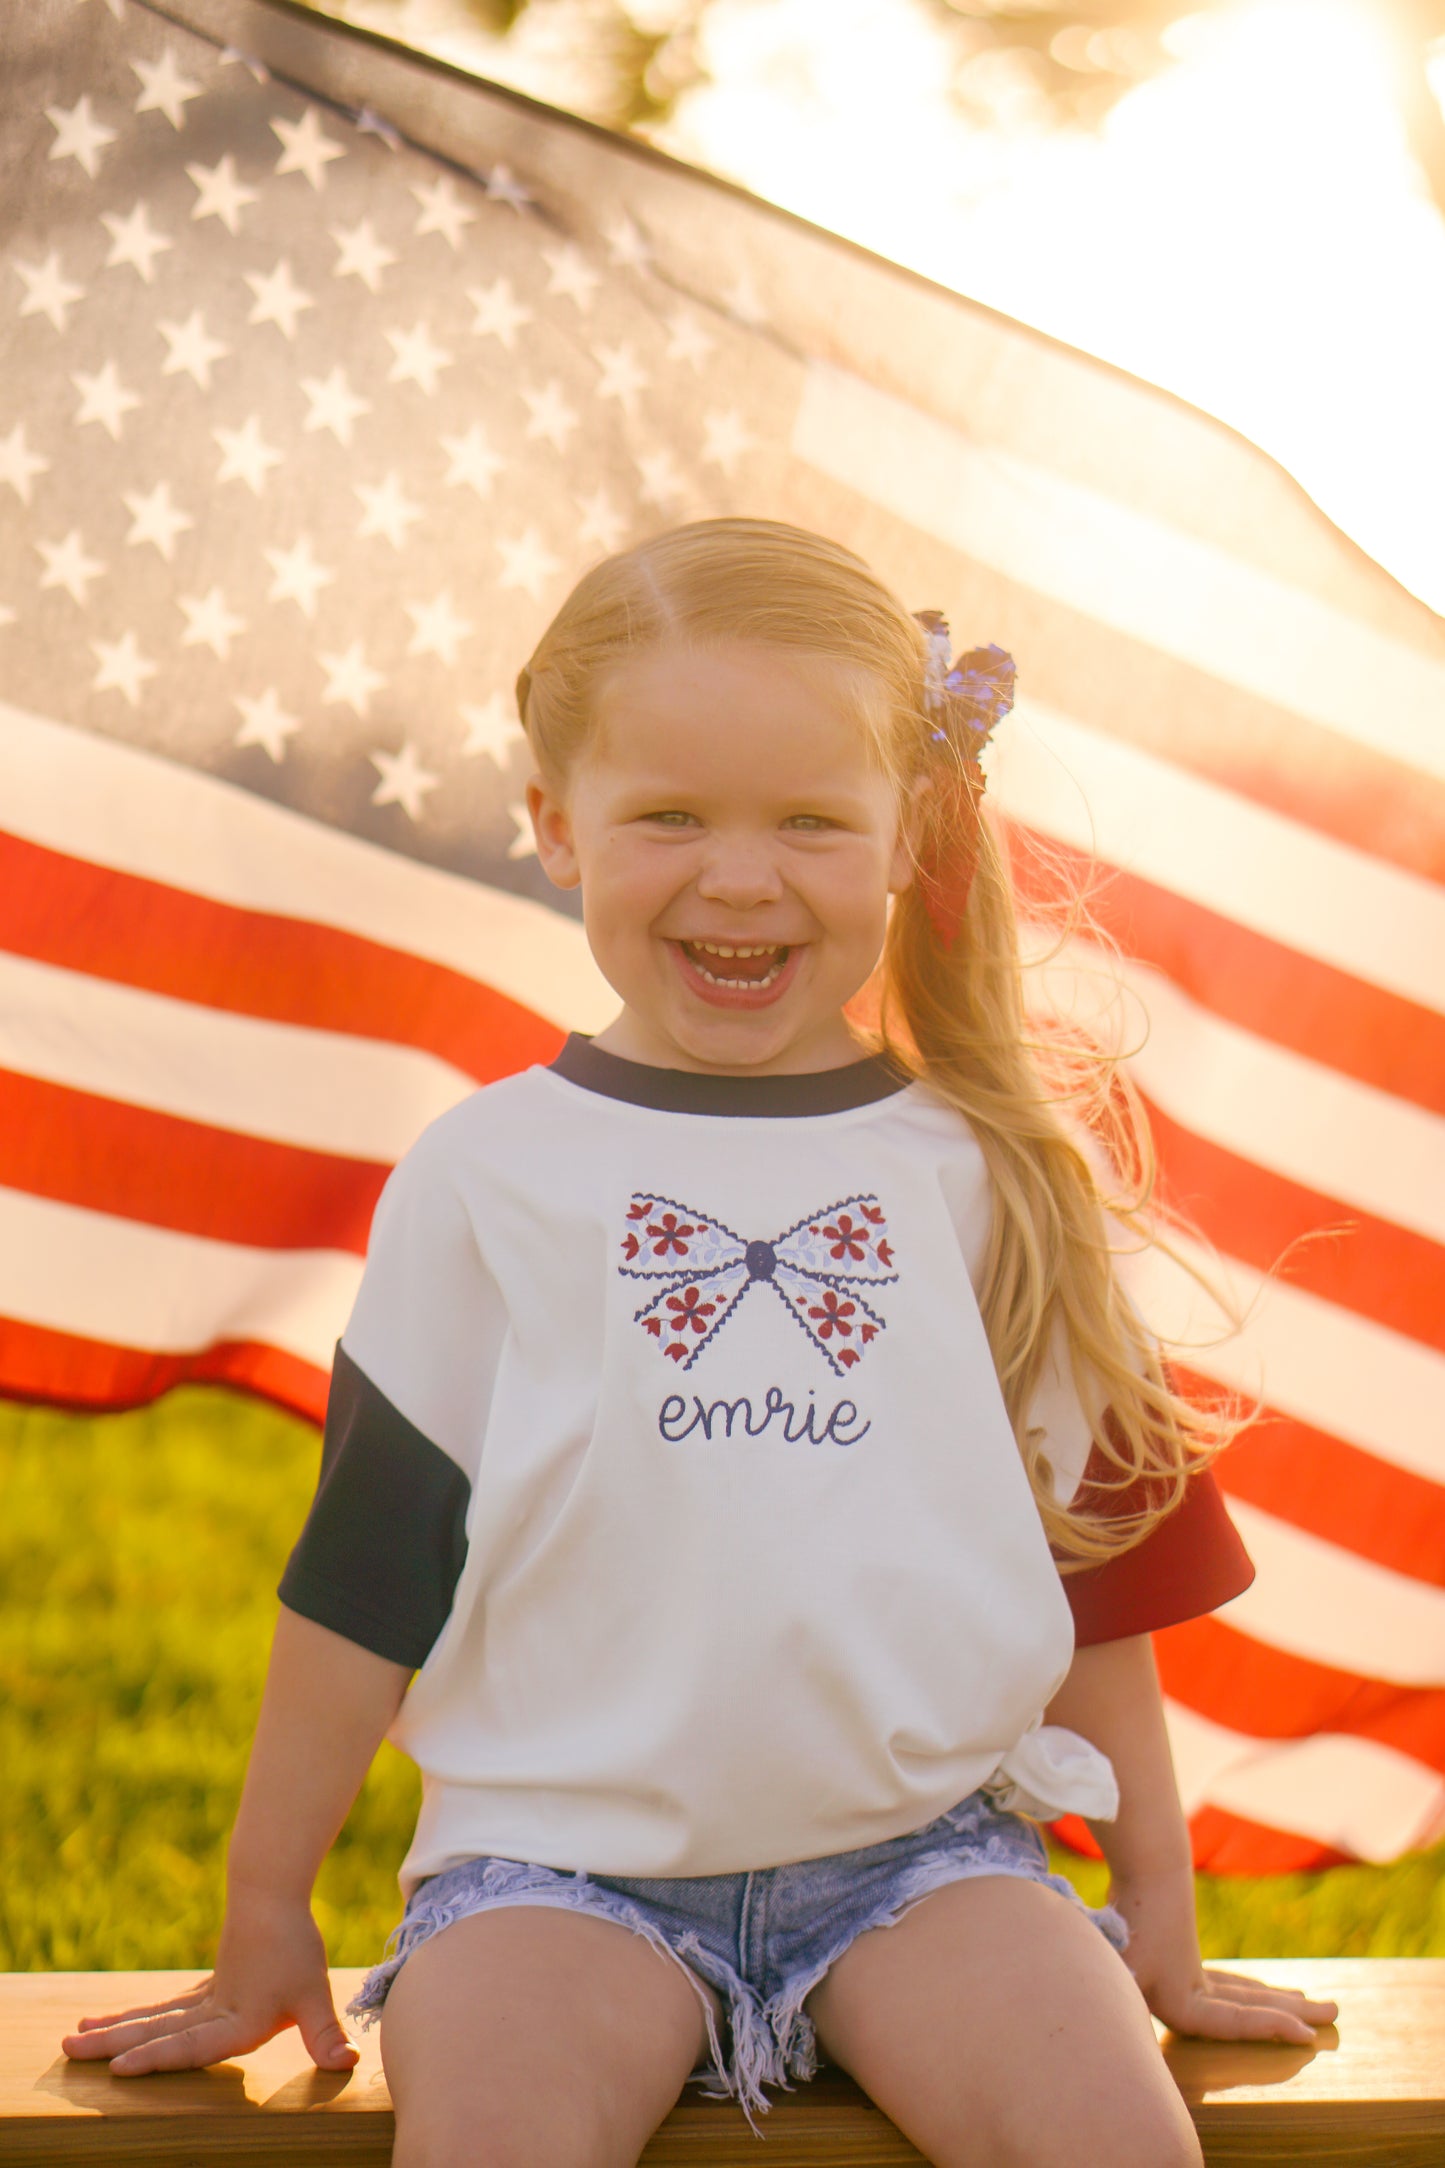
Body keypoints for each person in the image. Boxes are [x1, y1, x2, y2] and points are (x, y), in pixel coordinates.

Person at [63, 519, 1337, 2167]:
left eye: (812, 821)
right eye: (669, 815)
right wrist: (262, 1906)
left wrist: (1154, 1918)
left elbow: (1103, 1574)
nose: (741, 874)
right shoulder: (489, 1173)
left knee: (1118, 2146)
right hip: (553, 1877)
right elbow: (369, 1570)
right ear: (554, 826)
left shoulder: (991, 1172)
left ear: (903, 840)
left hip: (926, 1863)